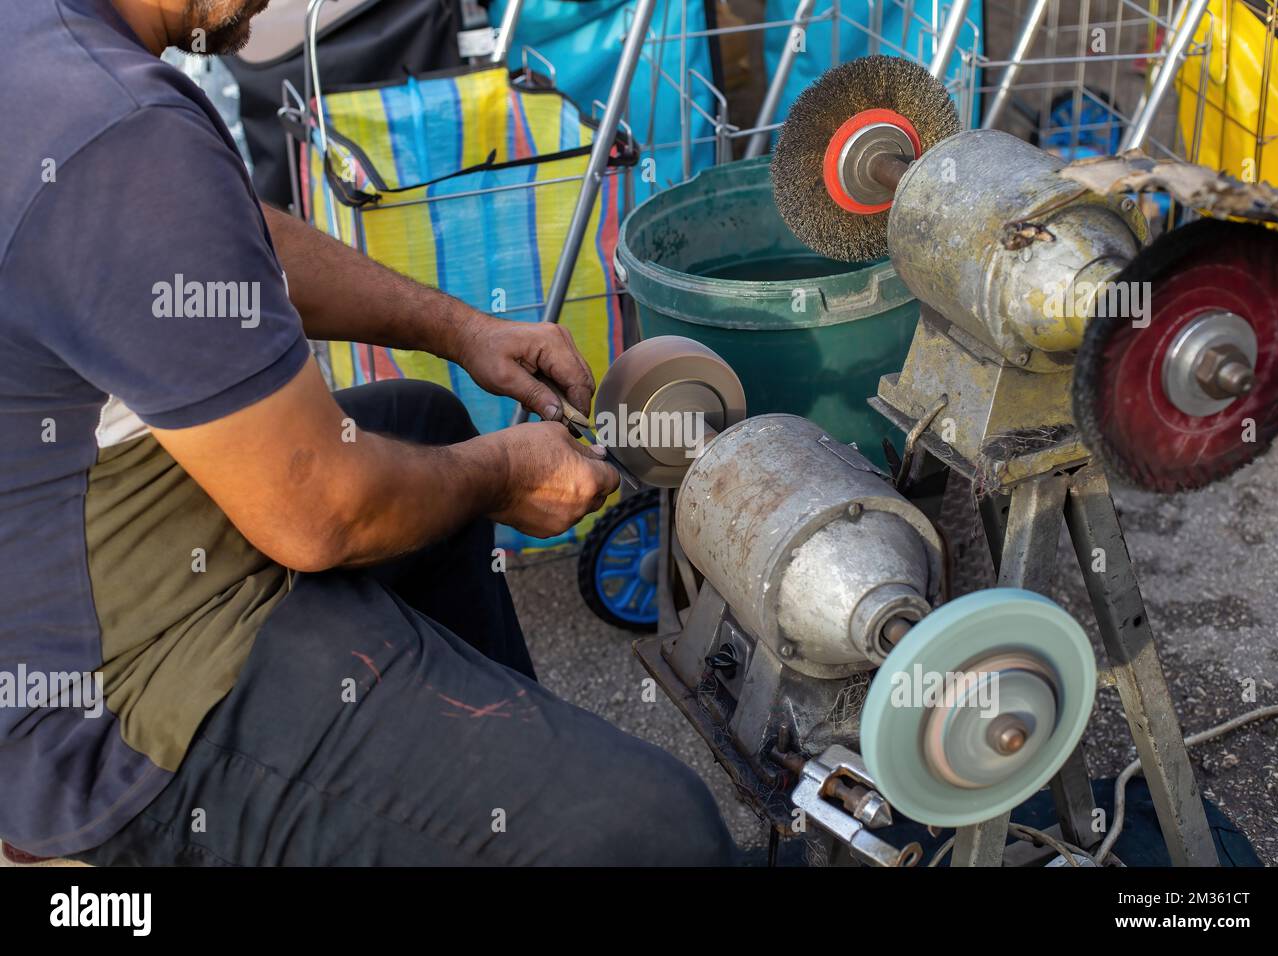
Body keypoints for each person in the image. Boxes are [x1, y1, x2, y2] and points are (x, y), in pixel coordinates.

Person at [0, 0, 736, 866]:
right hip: (105, 712)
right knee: (653, 829)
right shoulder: (120, 130)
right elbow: (321, 513)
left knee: (423, 425)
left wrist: (460, 329)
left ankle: (486, 799)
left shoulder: (44, 43)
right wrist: (503, 475)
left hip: (66, 558)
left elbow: (219, 233)